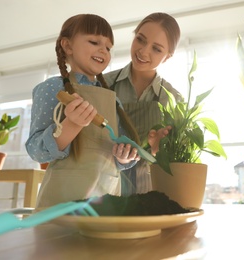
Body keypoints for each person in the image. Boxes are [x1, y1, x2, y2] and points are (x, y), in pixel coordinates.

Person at [26, 14, 142, 208]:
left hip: (106, 200)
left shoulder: (113, 100)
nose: (103, 50)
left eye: (108, 47)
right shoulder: (51, 89)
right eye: (94, 41)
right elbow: (36, 151)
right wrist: (70, 126)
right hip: (62, 203)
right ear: (68, 46)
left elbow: (116, 154)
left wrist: (123, 157)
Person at [104, 12, 183, 195]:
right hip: (106, 187)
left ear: (167, 57)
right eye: (140, 39)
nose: (143, 51)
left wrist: (158, 150)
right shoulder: (103, 84)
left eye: (156, 49)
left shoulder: (173, 99)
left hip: (150, 189)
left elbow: (175, 160)